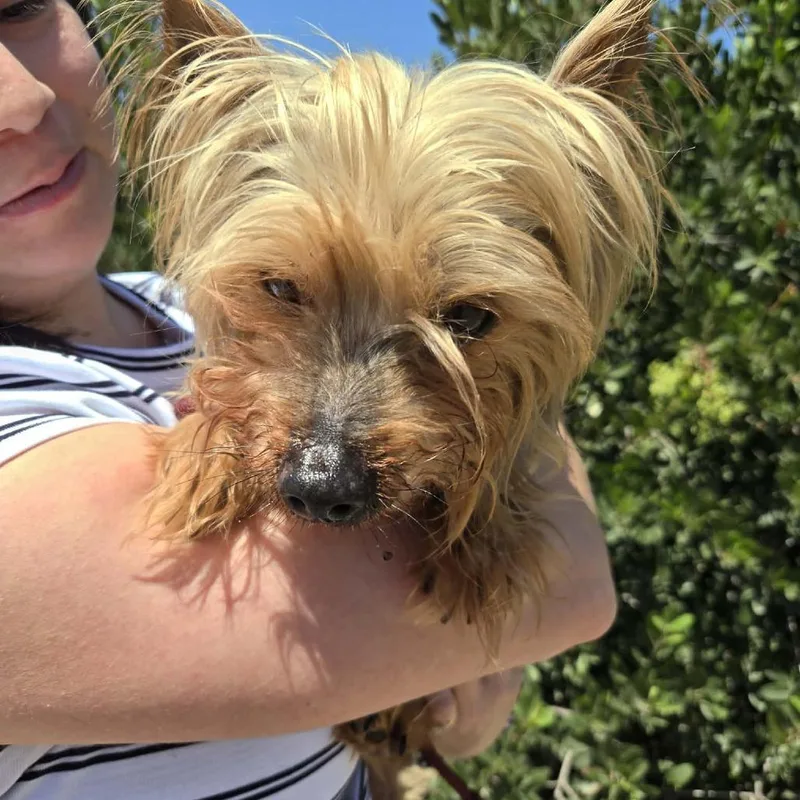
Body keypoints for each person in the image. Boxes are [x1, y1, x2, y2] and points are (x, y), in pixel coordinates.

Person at [0, 0, 617, 798]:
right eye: (284, 291)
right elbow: (576, 582)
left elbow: (493, 678)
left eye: (461, 320)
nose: (18, 103)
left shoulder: (179, 303)